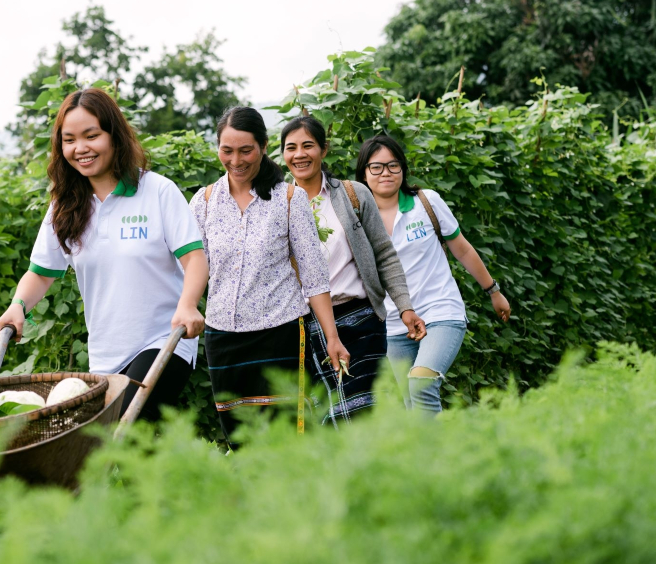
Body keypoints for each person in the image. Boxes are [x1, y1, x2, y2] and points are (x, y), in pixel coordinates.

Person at [0, 88, 208, 422]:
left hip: (163, 341)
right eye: (69, 140)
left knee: (129, 424)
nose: (80, 148)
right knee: (118, 451)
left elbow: (194, 257)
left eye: (91, 135)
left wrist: (187, 304)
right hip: (105, 356)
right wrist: (17, 306)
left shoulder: (156, 191)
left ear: (114, 135)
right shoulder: (65, 208)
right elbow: (41, 273)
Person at [190, 106, 348, 442]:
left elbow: (314, 277)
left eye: (246, 150)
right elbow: (193, 270)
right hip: (223, 340)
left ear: (263, 146)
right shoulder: (203, 202)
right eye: (227, 150)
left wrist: (332, 337)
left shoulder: (290, 199)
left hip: (280, 334)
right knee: (240, 438)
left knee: (287, 436)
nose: (236, 160)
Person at [280, 116, 428, 425]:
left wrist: (405, 307)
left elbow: (385, 255)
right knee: (326, 418)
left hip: (361, 322)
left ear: (324, 149)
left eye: (308, 145)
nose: (299, 154)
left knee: (374, 413)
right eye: (290, 147)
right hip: (307, 328)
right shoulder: (279, 205)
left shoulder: (353, 195)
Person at [355, 135, 511, 414]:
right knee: (411, 404)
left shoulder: (426, 203)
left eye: (393, 166)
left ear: (403, 169)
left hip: (441, 310)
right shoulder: (359, 218)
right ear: (364, 174)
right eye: (376, 167)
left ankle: (433, 458)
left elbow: (462, 250)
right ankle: (433, 453)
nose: (386, 173)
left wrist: (493, 291)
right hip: (393, 323)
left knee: (421, 384)